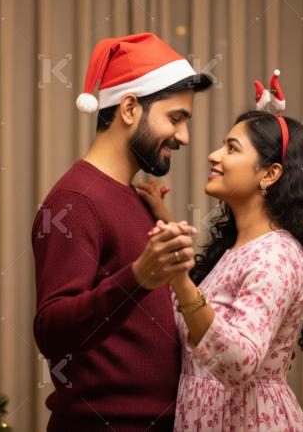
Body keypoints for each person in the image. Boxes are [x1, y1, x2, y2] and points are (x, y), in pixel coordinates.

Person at [137, 72, 303, 431]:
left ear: (269, 174)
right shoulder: (237, 251)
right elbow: (211, 319)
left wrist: (180, 280)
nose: (213, 155)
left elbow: (238, 362)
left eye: (231, 148)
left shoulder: (276, 257)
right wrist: (165, 220)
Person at [32, 32, 212, 431]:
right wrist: (137, 278)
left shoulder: (134, 197)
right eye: (176, 118)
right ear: (130, 108)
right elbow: (51, 331)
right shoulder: (75, 201)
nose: (184, 137)